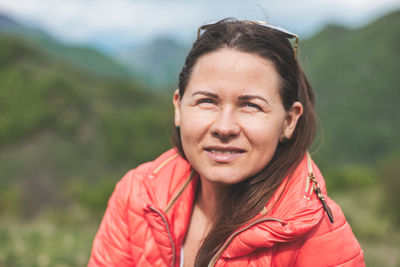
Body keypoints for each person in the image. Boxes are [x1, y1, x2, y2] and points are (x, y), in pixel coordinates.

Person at [88, 19, 365, 267]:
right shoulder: (138, 196)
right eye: (207, 101)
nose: (224, 127)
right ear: (178, 108)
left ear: (289, 121)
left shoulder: (318, 235)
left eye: (251, 106)